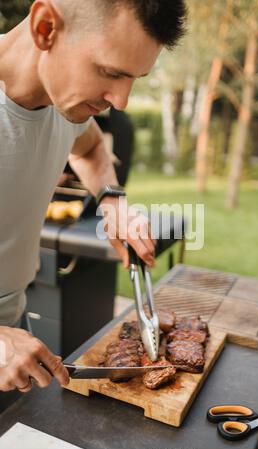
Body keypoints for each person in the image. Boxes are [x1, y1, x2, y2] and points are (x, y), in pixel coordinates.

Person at [0, 0, 187, 395]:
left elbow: (90, 149)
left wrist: (113, 201)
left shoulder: (63, 105)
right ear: (46, 27)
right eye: (110, 73)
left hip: (15, 336)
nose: (120, 101)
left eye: (134, 79)